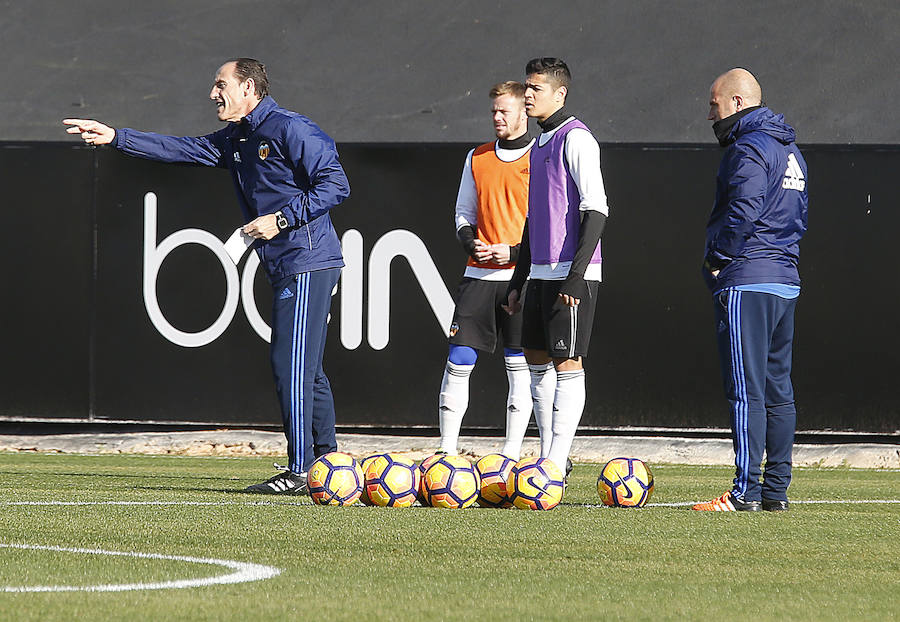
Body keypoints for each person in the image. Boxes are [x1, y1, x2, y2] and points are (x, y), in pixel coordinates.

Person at [64, 58, 350, 495]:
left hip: (308, 258)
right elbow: (179, 149)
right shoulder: (236, 137)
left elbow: (335, 185)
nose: (212, 93)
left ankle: (299, 469)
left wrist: (281, 220)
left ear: (249, 88)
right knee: (307, 370)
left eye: (221, 84)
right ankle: (329, 468)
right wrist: (116, 137)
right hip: (286, 263)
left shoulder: (291, 128)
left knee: (288, 364)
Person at [692, 68, 808, 512]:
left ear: (738, 103)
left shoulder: (750, 147)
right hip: (784, 281)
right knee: (779, 390)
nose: (710, 115)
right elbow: (795, 216)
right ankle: (775, 493)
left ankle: (744, 493)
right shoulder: (791, 149)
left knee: (746, 390)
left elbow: (743, 209)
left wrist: (717, 260)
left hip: (748, 279)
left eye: (714, 104)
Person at [504, 58, 609, 476]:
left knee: (568, 364)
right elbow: (534, 218)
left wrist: (576, 274)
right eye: (526, 88)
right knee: (535, 359)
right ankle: (550, 456)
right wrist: (518, 278)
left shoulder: (577, 138)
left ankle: (555, 459)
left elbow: (596, 210)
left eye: (536, 88)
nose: (527, 95)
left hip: (571, 273)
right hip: (541, 273)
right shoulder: (541, 141)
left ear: (560, 93)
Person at [439, 81, 535, 459]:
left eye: (504, 111)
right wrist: (469, 242)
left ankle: (511, 454)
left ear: (523, 112)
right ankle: (445, 452)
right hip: (478, 276)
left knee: (519, 364)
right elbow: (464, 212)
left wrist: (512, 251)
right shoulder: (477, 157)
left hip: (521, 278)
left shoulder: (540, 156)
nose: (497, 117)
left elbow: (546, 221)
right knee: (459, 358)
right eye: (494, 110)